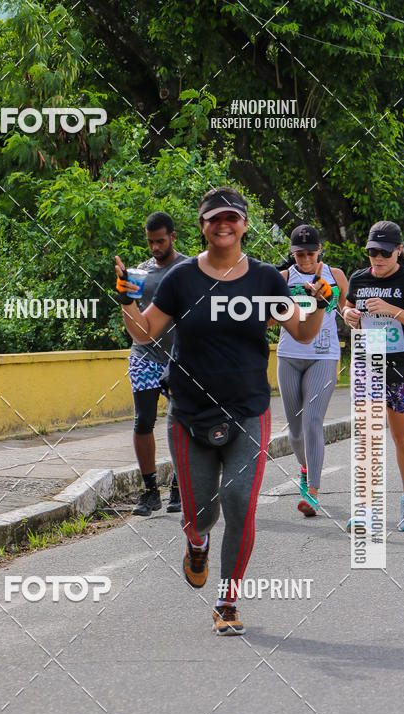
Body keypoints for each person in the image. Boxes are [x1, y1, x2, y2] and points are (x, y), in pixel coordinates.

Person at [116, 187, 327, 634]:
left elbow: (303, 333)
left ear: (244, 224)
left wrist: (322, 305)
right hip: (189, 415)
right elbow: (143, 332)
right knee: (200, 514)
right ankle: (197, 541)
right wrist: (127, 299)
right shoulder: (181, 279)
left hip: (249, 410)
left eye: (231, 217)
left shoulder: (268, 280)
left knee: (238, 503)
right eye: (214, 218)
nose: (223, 224)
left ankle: (228, 600)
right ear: (203, 225)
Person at [343, 220, 404, 532]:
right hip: (370, 367)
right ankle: (366, 510)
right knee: (368, 439)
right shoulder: (358, 278)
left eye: (384, 252)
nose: (378, 258)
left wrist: (391, 309)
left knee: (401, 438)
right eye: (372, 251)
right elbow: (347, 310)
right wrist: (349, 316)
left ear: (398, 250)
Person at [115, 212, 187, 516]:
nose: (155, 247)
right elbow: (132, 318)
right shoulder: (140, 273)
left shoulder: (188, 269)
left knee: (180, 423)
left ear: (172, 236)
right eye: (150, 242)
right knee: (143, 420)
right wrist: (124, 293)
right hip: (144, 356)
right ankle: (149, 490)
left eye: (160, 240)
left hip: (180, 358)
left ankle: (179, 485)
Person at [276, 225, 348, 516]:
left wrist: (330, 299)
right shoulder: (282, 278)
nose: (305, 260)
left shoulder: (337, 275)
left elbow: (345, 313)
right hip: (289, 356)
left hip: (324, 356)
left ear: (320, 251)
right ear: (292, 254)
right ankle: (305, 469)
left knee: (312, 421)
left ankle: (313, 493)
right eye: (299, 254)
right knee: (294, 431)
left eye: (310, 253)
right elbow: (271, 316)